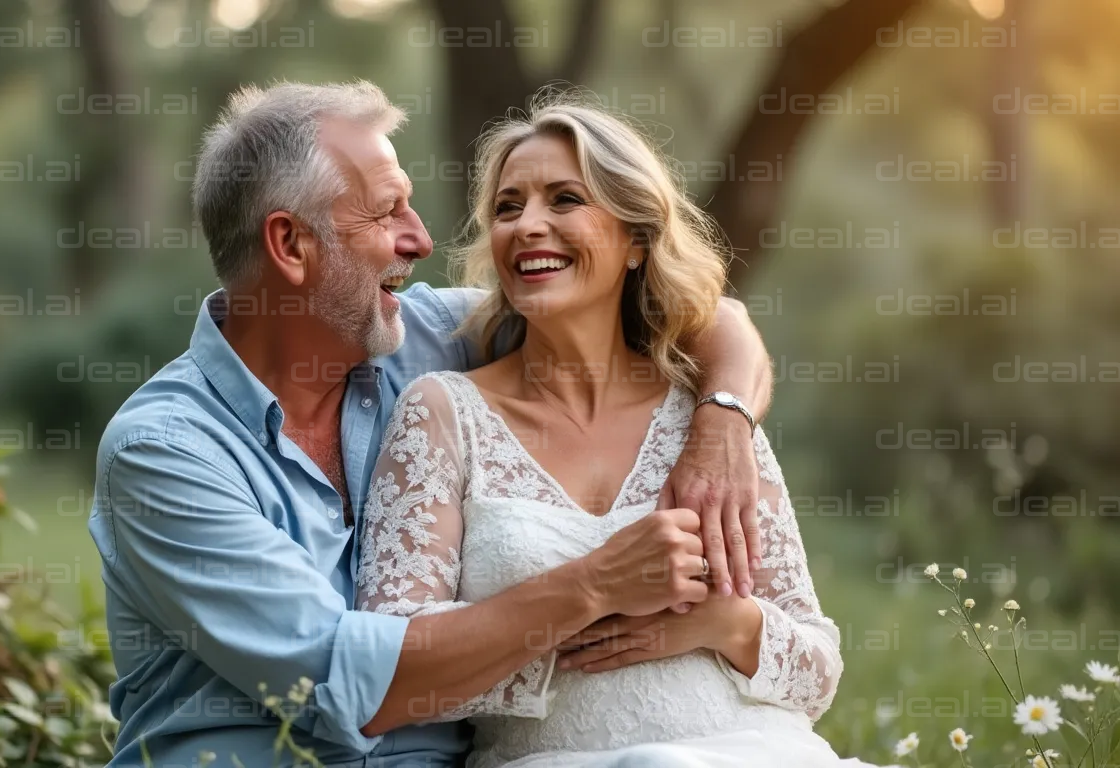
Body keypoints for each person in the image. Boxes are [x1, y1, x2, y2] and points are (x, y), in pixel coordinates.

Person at [89, 81, 773, 768]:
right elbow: (348, 683)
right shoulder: (164, 452)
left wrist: (723, 423)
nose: (419, 239)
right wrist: (596, 584)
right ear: (291, 245)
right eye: (388, 213)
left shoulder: (424, 336)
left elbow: (692, 315)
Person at [354, 93, 880, 768]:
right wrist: (589, 595)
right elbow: (390, 673)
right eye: (508, 208)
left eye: (565, 199)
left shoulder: (711, 419)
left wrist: (721, 623)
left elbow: (817, 673)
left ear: (635, 241)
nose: (528, 225)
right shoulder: (442, 414)